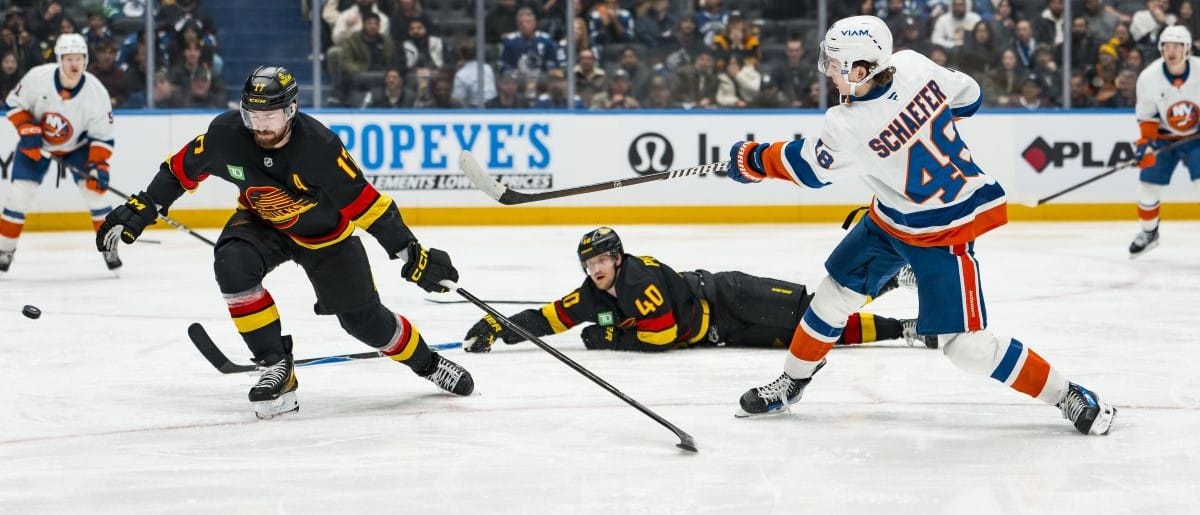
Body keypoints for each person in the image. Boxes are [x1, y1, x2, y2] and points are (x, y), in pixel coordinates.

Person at [723, 16, 1116, 435]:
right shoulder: (912, 64)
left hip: (941, 231)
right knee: (832, 297)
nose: (828, 71)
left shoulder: (847, 123)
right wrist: (917, 126)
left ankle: (1068, 394)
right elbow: (970, 98)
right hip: (891, 219)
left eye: (835, 64)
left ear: (860, 70)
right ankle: (794, 381)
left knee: (965, 347)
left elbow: (809, 170)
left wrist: (751, 159)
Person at [95, 66, 474, 419]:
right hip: (262, 223)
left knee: (364, 323)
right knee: (232, 264)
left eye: (270, 117)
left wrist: (412, 252)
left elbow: (369, 206)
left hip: (327, 238)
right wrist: (143, 207)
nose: (260, 126)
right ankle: (277, 365)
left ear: (291, 111)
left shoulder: (320, 148)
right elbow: (179, 171)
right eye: (252, 116)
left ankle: (429, 363)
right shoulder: (226, 135)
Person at [462, 227, 936, 353]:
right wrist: (495, 326)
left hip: (725, 295)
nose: (597, 268)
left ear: (619, 258)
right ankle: (906, 330)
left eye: (603, 259)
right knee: (811, 336)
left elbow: (661, 337)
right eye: (590, 263)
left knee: (818, 310)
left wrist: (610, 337)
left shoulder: (638, 281)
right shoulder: (590, 293)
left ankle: (893, 278)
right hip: (718, 332)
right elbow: (547, 317)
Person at [0, 33, 118, 274]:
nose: (74, 64)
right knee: (18, 196)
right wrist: (26, 127)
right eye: (68, 58)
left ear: (86, 60)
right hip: (36, 146)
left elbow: (102, 135)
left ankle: (109, 247)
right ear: (58, 59)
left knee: (96, 196)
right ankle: (4, 250)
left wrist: (98, 165)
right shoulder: (37, 78)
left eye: (79, 58)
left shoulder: (96, 92)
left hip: (77, 148)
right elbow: (13, 103)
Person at [1129, 25, 1200, 257]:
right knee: (1146, 188)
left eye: (1177, 46)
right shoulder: (1149, 78)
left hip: (1196, 138)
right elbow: (1148, 117)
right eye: (1166, 46)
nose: (1171, 51)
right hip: (1163, 139)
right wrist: (1145, 145)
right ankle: (1149, 233)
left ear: (1187, 49)